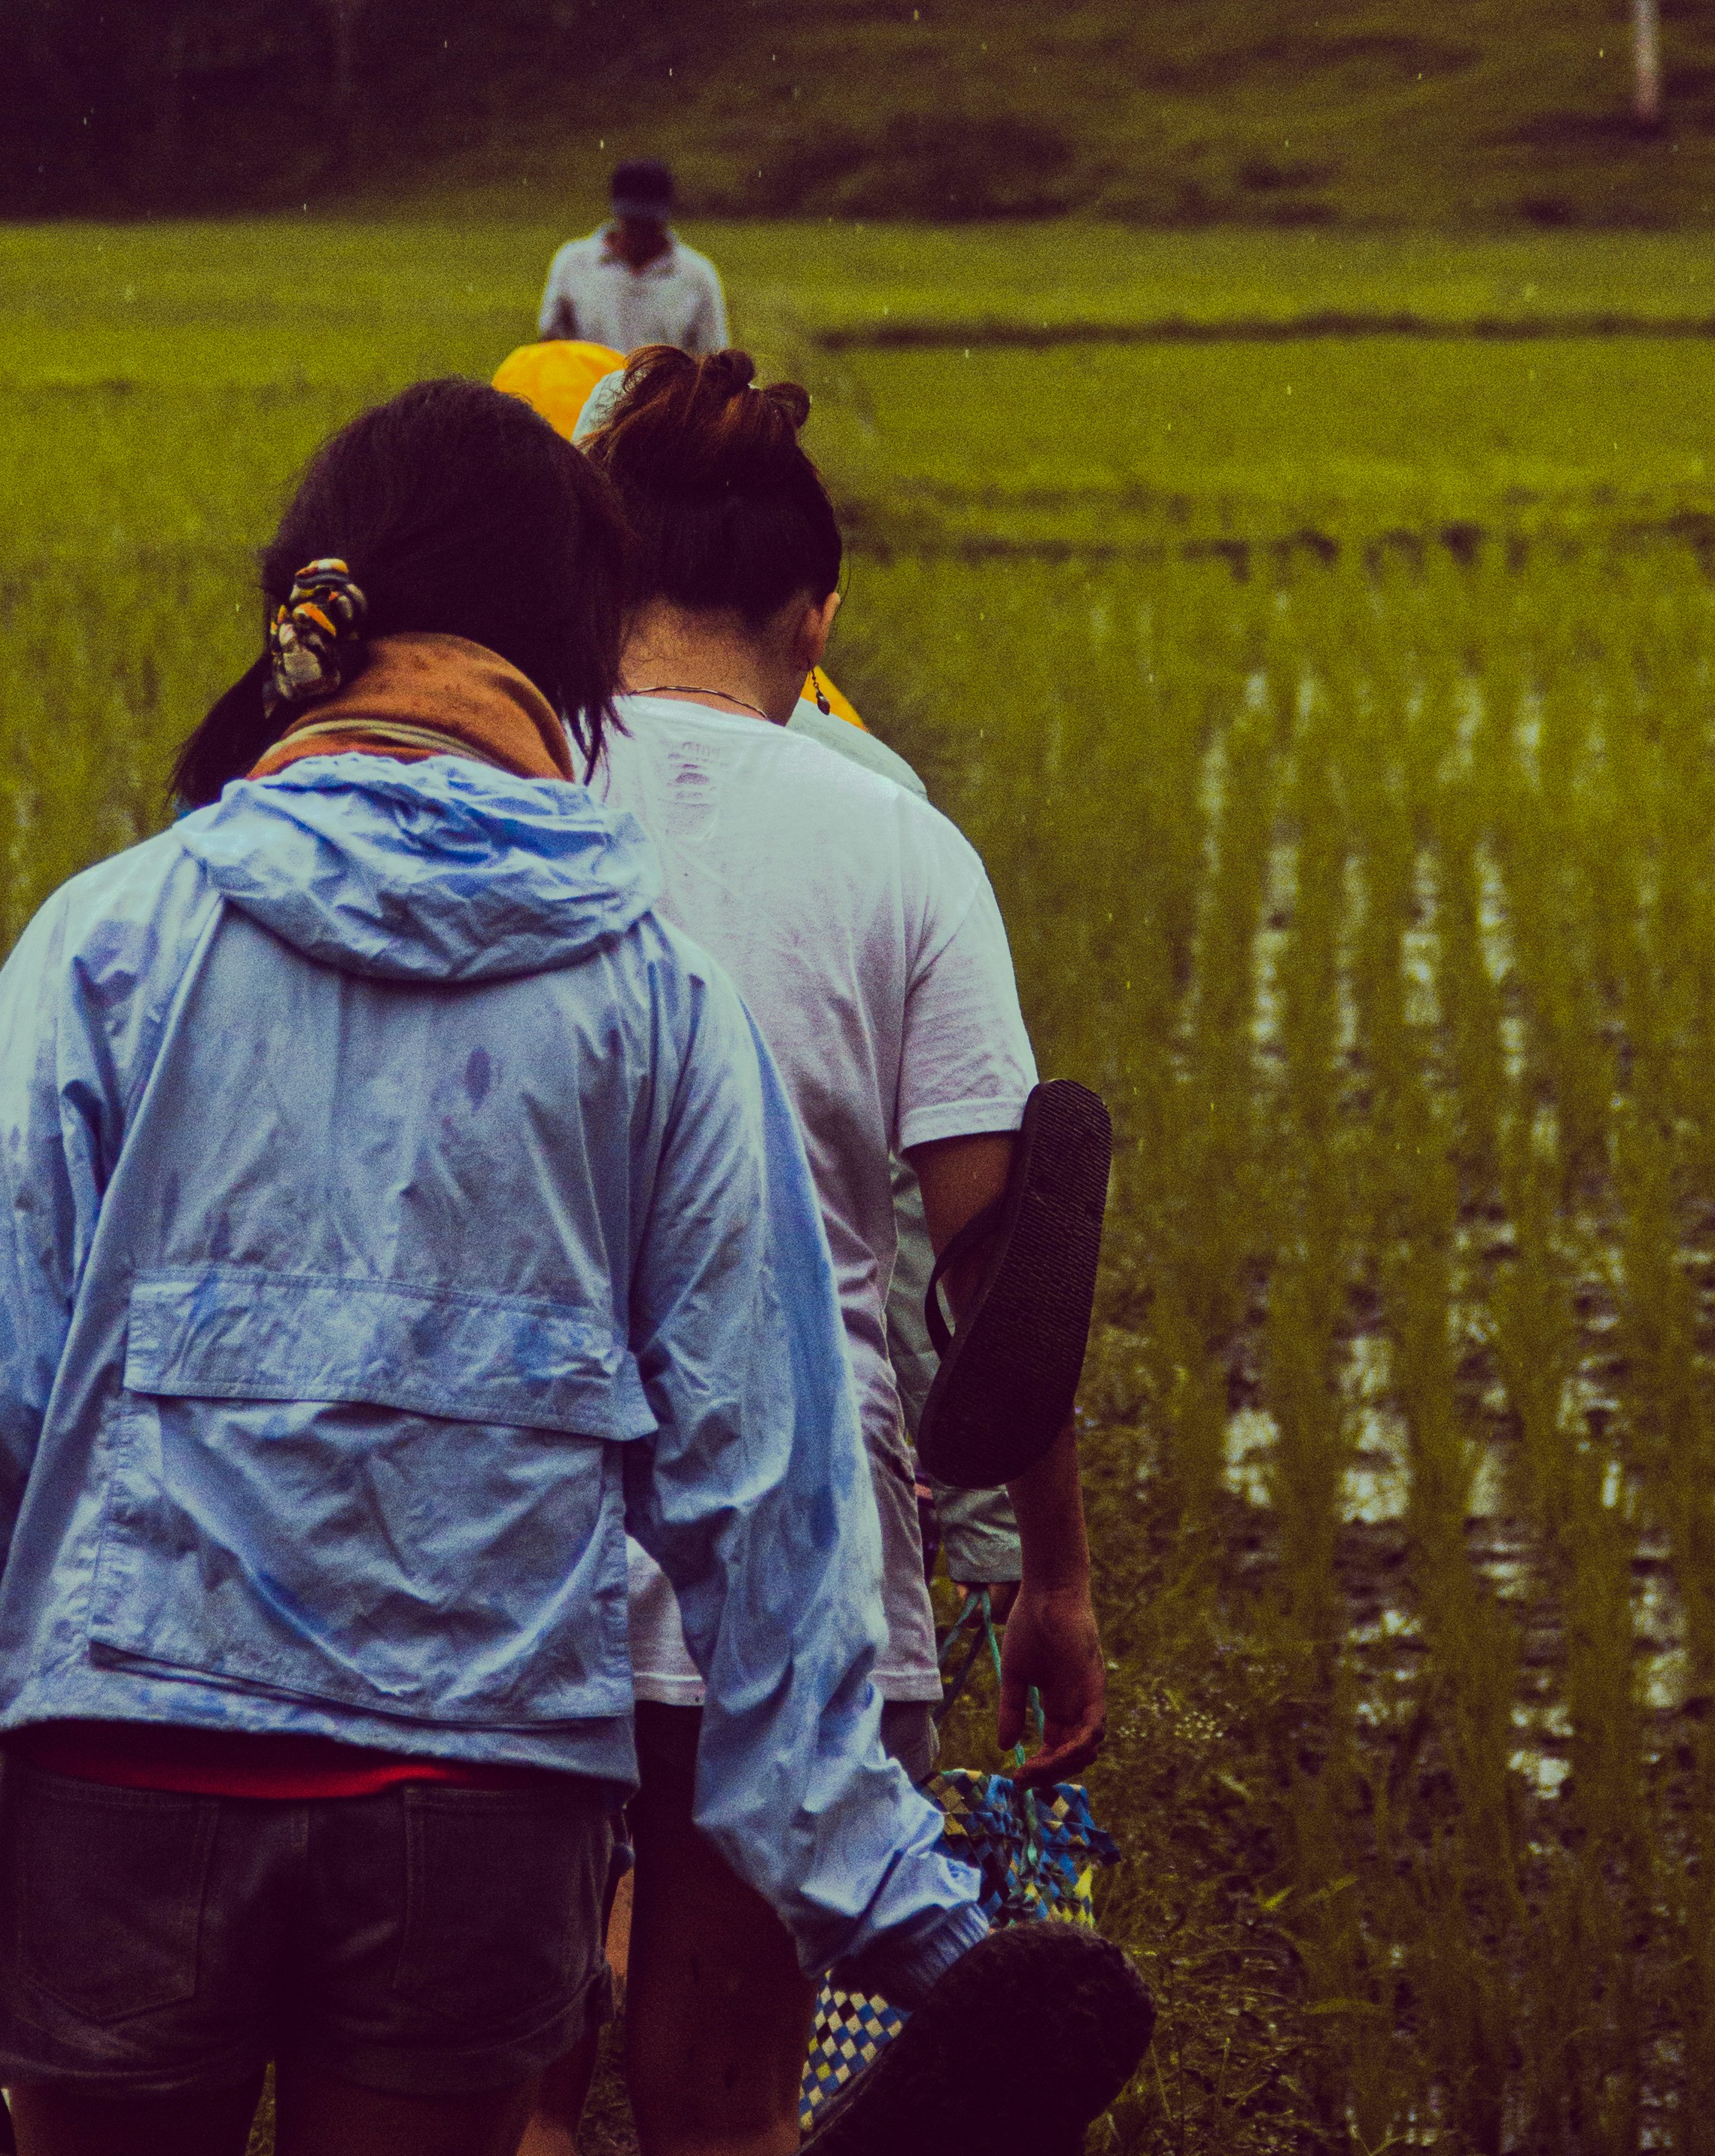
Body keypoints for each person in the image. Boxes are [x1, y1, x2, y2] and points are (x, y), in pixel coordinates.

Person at [0, 376, 1148, 2156]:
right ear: (569, 646)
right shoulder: (656, 999)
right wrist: (902, 1904)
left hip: (129, 1771)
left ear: (322, 614)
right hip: (482, 1809)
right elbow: (764, 1480)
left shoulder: (122, 935)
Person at [531, 348, 1106, 2156]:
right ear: (818, 609)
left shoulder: (492, 800)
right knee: (730, 2108)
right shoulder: (894, 840)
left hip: (488, 1558)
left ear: (595, 589)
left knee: (505, 2101)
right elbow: (991, 1278)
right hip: (795, 1564)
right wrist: (1051, 1573)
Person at [537, 160, 727, 359]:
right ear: (617, 214)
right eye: (632, 222)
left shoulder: (697, 275)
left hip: (663, 389)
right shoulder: (573, 262)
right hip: (587, 387)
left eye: (649, 223)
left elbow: (712, 359)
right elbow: (550, 347)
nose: (640, 233)